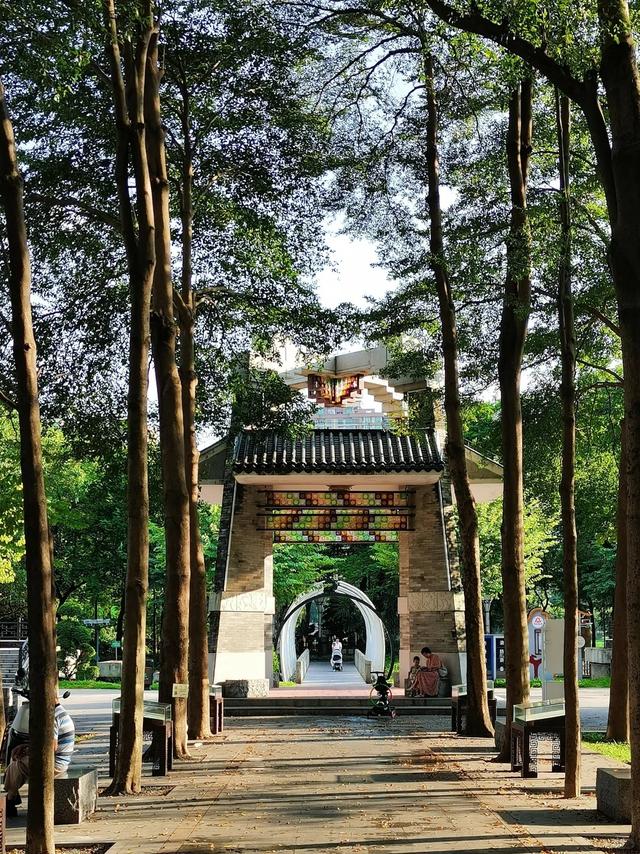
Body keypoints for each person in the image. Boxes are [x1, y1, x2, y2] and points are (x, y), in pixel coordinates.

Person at [4, 695, 75, 817]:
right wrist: (26, 747)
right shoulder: (61, 713)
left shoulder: (52, 717)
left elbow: (50, 747)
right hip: (61, 762)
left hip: (55, 765)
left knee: (17, 763)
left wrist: (27, 750)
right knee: (20, 759)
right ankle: (11, 795)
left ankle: (10, 798)